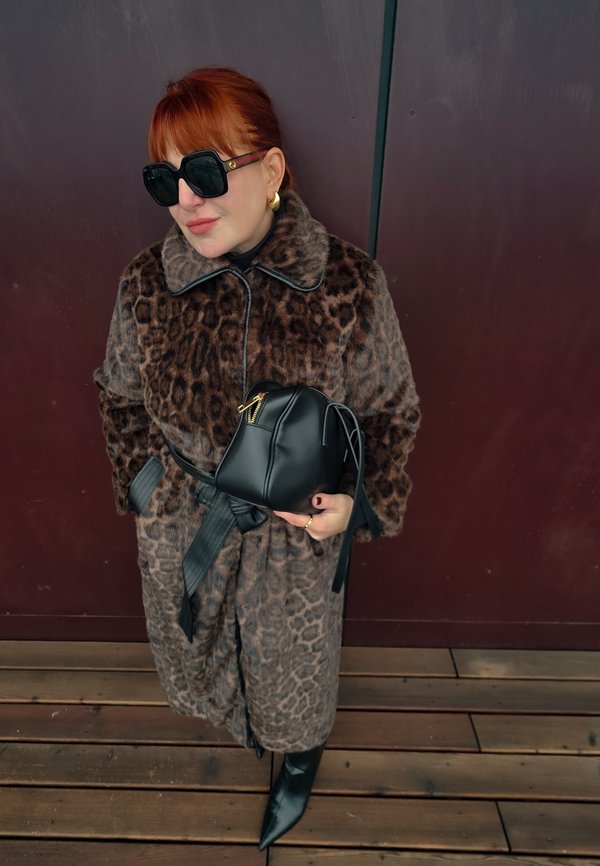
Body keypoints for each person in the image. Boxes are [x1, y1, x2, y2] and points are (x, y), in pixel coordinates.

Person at [94, 67, 420, 848]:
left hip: (293, 547)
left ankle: (298, 764)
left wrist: (355, 505)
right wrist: (147, 490)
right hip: (184, 528)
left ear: (270, 169)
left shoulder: (348, 285)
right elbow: (118, 396)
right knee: (197, 650)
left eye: (205, 171)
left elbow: (389, 412)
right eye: (164, 179)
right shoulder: (146, 284)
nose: (186, 200)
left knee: (295, 678)